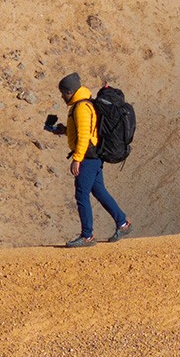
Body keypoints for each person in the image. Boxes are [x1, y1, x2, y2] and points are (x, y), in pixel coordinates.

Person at [44, 72, 130, 247]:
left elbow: (84, 136)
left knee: (81, 194)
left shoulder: (82, 107)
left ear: (69, 91)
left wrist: (77, 159)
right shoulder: (83, 104)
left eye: (63, 93)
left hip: (88, 158)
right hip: (94, 157)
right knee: (99, 192)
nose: (62, 97)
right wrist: (63, 130)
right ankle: (123, 224)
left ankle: (87, 236)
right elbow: (85, 130)